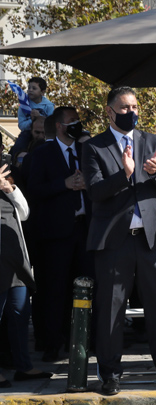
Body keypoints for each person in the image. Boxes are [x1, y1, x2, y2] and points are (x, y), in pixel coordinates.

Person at [82, 86, 156, 395]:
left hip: (151, 239)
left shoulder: (152, 141)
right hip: (114, 240)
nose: (132, 112)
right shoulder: (93, 147)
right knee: (112, 308)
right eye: (125, 108)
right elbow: (95, 191)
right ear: (110, 111)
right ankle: (110, 373)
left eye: (135, 107)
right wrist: (124, 175)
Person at [27, 106, 94, 362]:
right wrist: (63, 185)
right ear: (59, 126)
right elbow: (34, 189)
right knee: (55, 289)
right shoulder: (43, 153)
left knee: (86, 286)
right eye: (71, 121)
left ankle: (83, 340)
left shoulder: (86, 151)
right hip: (55, 234)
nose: (76, 124)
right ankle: (52, 342)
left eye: (78, 120)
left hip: (84, 229)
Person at [0, 164, 51, 388]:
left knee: (20, 315)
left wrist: (10, 189)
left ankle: (24, 367)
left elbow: (24, 213)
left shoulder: (7, 182)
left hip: (17, 264)